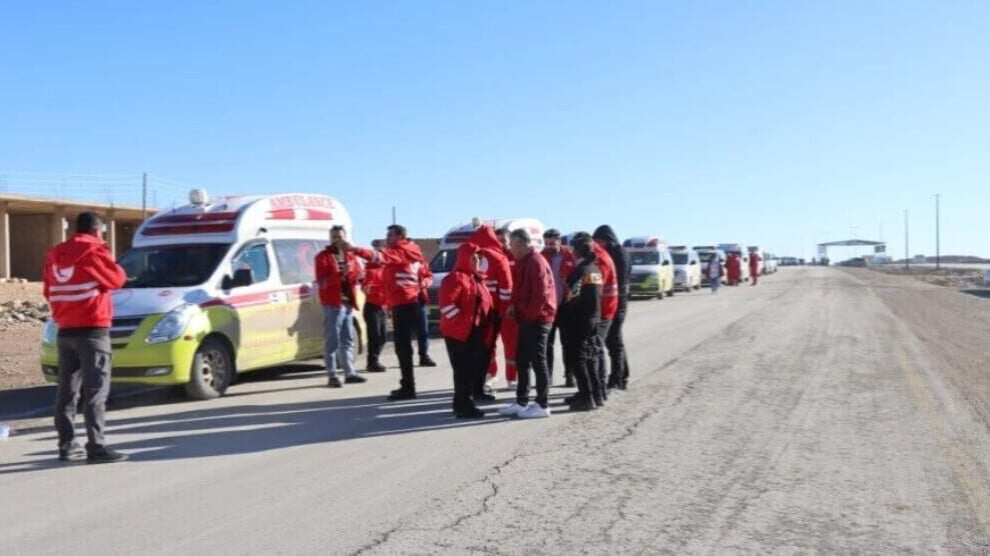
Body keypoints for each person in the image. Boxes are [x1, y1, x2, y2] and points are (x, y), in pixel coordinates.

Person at [44, 212, 128, 464]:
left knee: (66, 391)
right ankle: (96, 447)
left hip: (65, 330)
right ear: (97, 230)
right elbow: (117, 280)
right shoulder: (95, 251)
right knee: (95, 391)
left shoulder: (55, 254)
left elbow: (48, 290)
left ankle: (67, 444)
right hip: (93, 330)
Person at [348, 225, 431, 401]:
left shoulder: (400, 252)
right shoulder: (413, 251)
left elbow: (379, 257)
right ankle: (408, 384)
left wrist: (354, 249)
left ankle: (408, 387)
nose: (387, 238)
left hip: (404, 303)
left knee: (403, 348)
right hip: (409, 302)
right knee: (405, 345)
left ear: (400, 236)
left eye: (390, 235)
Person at [498, 229, 557, 419]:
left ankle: (542, 404)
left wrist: (529, 317)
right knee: (522, 359)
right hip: (526, 318)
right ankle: (521, 401)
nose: (510, 249)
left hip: (539, 319)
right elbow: (518, 288)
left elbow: (541, 295)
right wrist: (513, 306)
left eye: (512, 245)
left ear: (521, 244)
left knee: (538, 361)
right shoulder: (523, 262)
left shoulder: (536, 262)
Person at [439, 242, 494, 419]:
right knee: (463, 372)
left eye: (479, 258)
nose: (477, 261)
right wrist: (463, 321)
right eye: (473, 258)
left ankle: (462, 404)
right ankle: (464, 406)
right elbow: (447, 305)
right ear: (464, 258)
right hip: (458, 334)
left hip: (473, 331)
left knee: (468, 371)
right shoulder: (455, 278)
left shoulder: (475, 278)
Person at [315, 226, 369, 388]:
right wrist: (340, 274)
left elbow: (358, 275)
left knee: (347, 339)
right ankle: (332, 375)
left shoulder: (350, 256)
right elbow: (322, 281)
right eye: (334, 237)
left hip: (347, 303)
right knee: (332, 340)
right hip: (333, 303)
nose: (337, 240)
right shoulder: (323, 257)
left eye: (339, 236)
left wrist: (351, 272)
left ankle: (349, 373)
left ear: (345, 238)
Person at [557, 234, 604, 411]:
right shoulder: (594, 270)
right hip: (593, 319)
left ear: (575, 251)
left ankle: (587, 397)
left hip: (579, 322)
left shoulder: (580, 272)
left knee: (579, 360)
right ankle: (596, 394)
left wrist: (561, 319)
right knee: (590, 358)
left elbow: (571, 299)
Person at [468, 225, 513, 402]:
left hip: (480, 309)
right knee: (507, 343)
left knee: (486, 345)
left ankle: (490, 376)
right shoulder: (499, 257)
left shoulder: (472, 255)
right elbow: (506, 288)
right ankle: (507, 377)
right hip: (498, 309)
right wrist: (505, 309)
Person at [593, 225, 631, 390]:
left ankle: (618, 377)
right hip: (610, 300)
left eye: (600, 241)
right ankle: (621, 374)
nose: (598, 244)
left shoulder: (619, 253)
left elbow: (619, 281)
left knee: (614, 339)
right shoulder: (605, 253)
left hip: (618, 299)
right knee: (613, 340)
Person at [541, 229, 576, 386]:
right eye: (546, 243)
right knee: (547, 344)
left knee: (568, 343)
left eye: (552, 243)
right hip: (548, 307)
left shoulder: (570, 256)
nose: (549, 246)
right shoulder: (541, 256)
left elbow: (578, 280)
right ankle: (547, 377)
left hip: (566, 306)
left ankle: (570, 375)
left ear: (559, 242)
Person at [488, 227, 519, 389]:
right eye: (497, 240)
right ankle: (491, 374)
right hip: (492, 307)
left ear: (510, 241)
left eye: (503, 241)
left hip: (509, 308)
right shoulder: (488, 257)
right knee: (489, 342)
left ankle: (512, 377)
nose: (500, 244)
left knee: (511, 343)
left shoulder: (515, 257)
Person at [590, 239, 617, 402]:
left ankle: (599, 391)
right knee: (594, 349)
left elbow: (594, 290)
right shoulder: (595, 260)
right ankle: (594, 390)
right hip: (600, 310)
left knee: (595, 349)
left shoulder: (597, 262)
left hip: (602, 311)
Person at [361, 240, 389, 372]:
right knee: (375, 335)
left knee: (383, 337)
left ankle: (375, 359)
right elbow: (366, 289)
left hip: (383, 307)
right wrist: (379, 289)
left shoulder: (386, 270)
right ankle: (372, 361)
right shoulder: (370, 270)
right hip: (372, 306)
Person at [415, 264, 438, 367]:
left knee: (423, 330)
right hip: (403, 300)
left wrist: (425, 282)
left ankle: (424, 356)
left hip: (420, 299)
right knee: (404, 333)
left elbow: (429, 275)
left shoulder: (421, 262)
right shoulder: (399, 260)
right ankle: (405, 358)